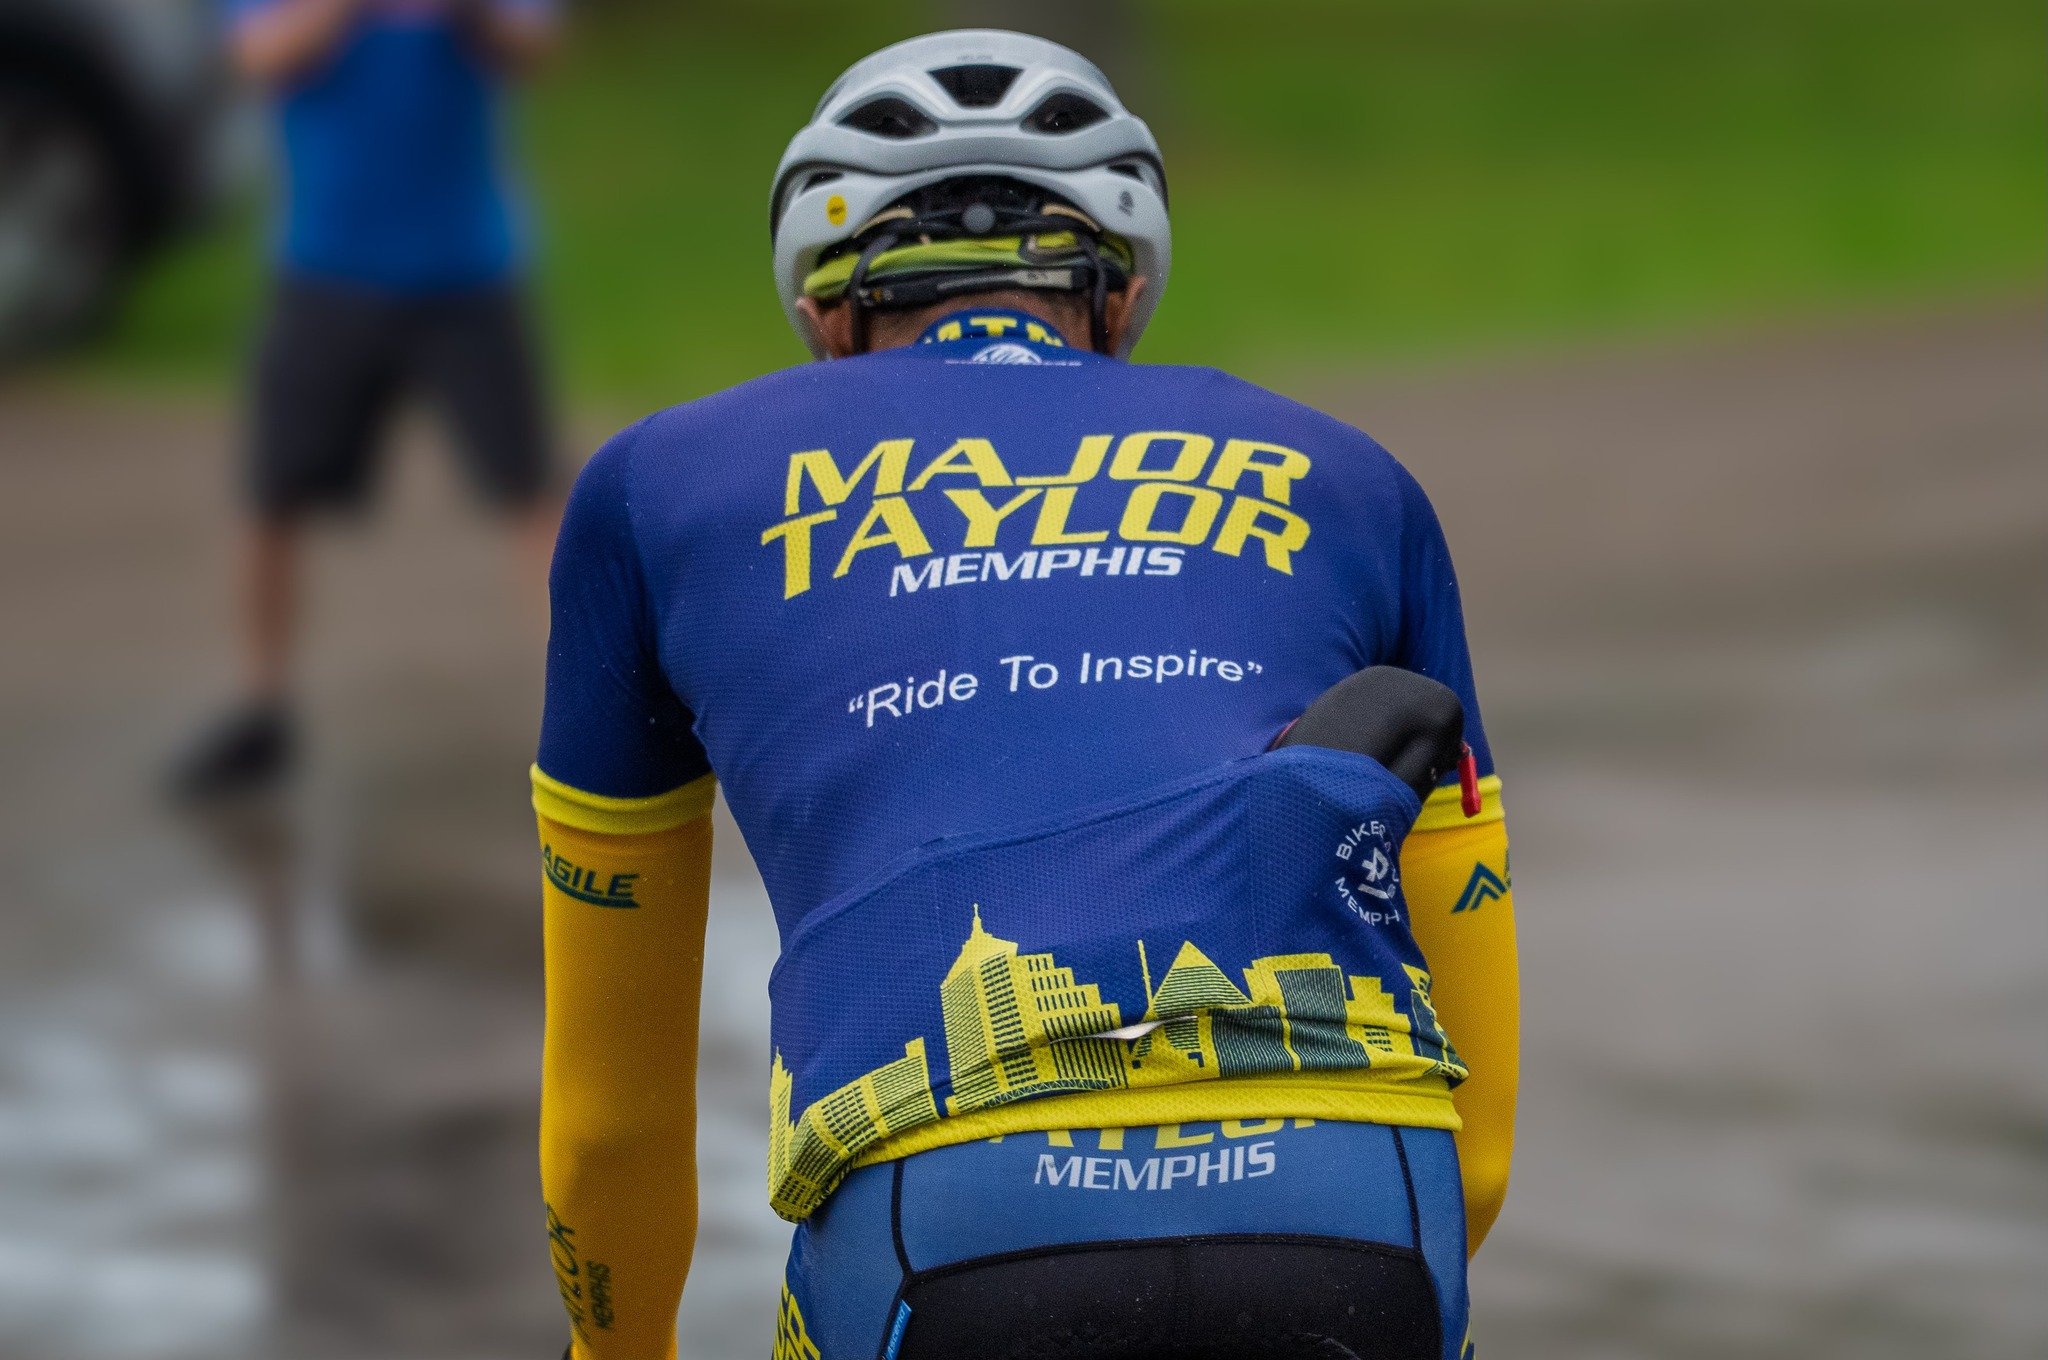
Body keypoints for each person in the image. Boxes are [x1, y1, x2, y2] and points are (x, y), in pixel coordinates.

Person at [535, 30, 1519, 1360]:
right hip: (1352, 1196)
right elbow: (1483, 1142)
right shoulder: (1352, 478)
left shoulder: (654, 490)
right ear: (1118, 296)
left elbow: (608, 1132)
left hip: (949, 1214)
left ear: (825, 315)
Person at [169, 0, 561, 802]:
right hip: (326, 265)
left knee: (533, 491)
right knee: (270, 494)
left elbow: (528, 50)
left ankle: (591, 721)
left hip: (467, 267)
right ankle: (261, 707)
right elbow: (259, 57)